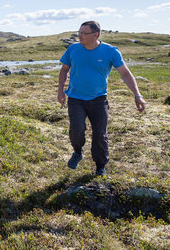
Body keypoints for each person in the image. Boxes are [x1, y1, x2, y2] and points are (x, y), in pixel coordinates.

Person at [57, 21, 146, 176]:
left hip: (99, 99)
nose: (80, 36)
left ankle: (100, 166)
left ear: (95, 35)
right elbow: (64, 70)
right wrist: (60, 91)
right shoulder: (73, 49)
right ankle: (77, 152)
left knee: (100, 134)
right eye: (79, 32)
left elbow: (125, 73)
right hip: (76, 98)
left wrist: (137, 95)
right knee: (76, 130)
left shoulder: (111, 51)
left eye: (84, 33)